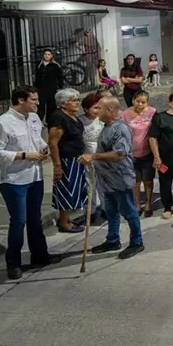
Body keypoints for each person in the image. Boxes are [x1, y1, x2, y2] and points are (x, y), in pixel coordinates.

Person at [0, 86, 61, 279]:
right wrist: (24, 155)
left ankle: (40, 255)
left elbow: (37, 139)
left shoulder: (34, 118)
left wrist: (43, 149)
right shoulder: (2, 123)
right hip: (14, 179)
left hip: (35, 177)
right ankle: (13, 263)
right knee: (19, 220)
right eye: (34, 100)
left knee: (35, 219)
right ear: (21, 100)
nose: (38, 103)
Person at [79, 96, 144, 259]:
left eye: (99, 108)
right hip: (106, 179)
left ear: (109, 110)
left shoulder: (120, 128)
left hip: (120, 179)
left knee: (129, 212)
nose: (97, 111)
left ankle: (137, 242)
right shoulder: (106, 126)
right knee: (111, 211)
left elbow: (119, 154)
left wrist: (93, 157)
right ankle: (112, 240)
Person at [47, 88, 88, 233]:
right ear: (64, 103)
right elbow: (53, 143)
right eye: (74, 100)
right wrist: (57, 165)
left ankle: (66, 219)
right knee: (67, 189)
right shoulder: (59, 117)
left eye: (78, 99)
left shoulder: (72, 116)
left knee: (74, 189)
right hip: (66, 160)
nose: (77, 103)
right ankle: (64, 222)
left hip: (76, 158)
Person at [121, 90, 156, 216]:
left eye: (144, 102)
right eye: (138, 102)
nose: (141, 105)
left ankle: (148, 203)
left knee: (148, 180)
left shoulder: (152, 112)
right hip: (131, 154)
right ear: (133, 101)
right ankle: (136, 204)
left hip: (148, 152)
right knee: (135, 182)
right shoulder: (125, 114)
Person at [79, 92, 105, 225]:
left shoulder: (103, 119)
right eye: (95, 108)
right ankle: (91, 211)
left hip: (102, 157)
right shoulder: (80, 120)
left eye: (99, 108)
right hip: (87, 158)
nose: (97, 111)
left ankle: (106, 208)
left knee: (103, 184)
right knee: (90, 185)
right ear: (86, 108)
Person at [34, 49, 63, 123]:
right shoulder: (39, 64)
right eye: (45, 54)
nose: (47, 56)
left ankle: (50, 121)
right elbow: (37, 77)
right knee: (41, 106)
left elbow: (60, 77)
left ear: (52, 56)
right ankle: (39, 121)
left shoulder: (55, 65)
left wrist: (60, 87)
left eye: (48, 54)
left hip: (51, 88)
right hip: (41, 89)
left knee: (51, 106)